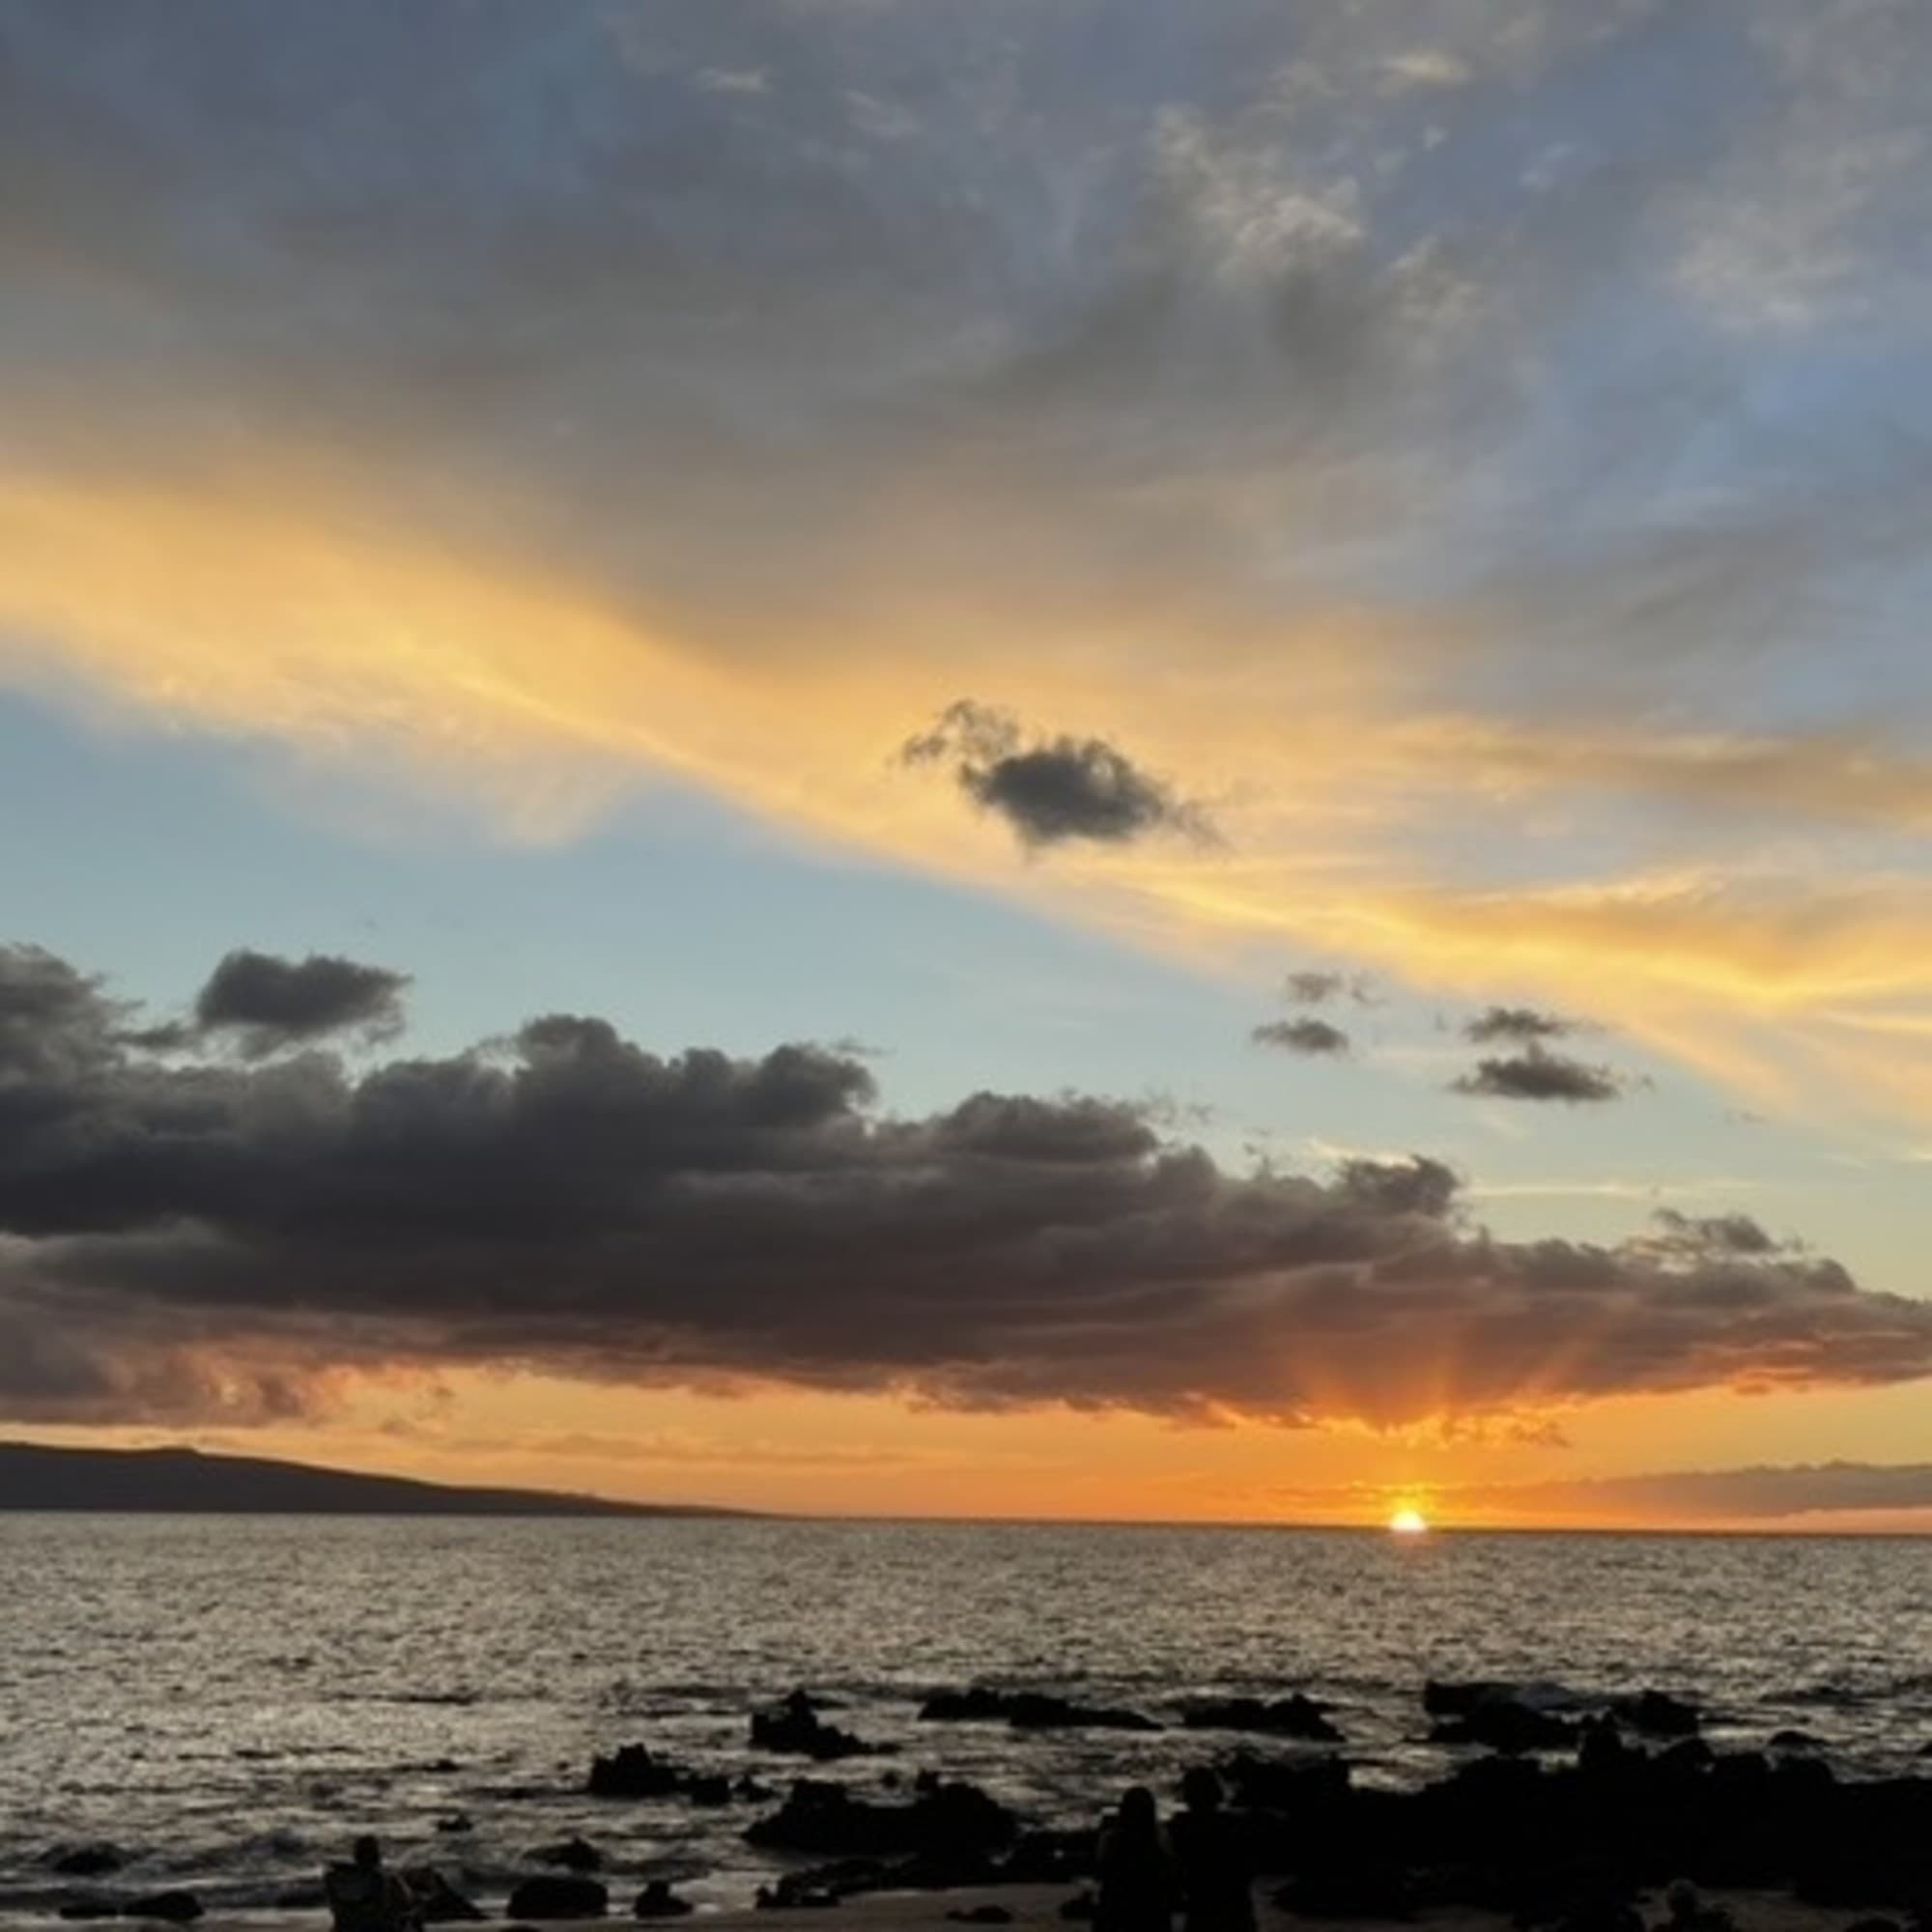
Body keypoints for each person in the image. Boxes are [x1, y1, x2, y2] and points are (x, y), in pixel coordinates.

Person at [1169, 1768, 1255, 1932]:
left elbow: (1178, 1875)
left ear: (1187, 1795)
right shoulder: (1235, 1825)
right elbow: (1246, 1871)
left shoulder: (1181, 1827)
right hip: (1236, 1912)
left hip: (1202, 1910)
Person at [1094, 1785, 1175, 1932]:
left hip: (1116, 1910)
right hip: (1152, 1910)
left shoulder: (1110, 1840)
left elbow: (1102, 1871)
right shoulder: (1160, 1839)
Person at [324, 1835, 418, 1932]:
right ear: (377, 1855)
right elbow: (407, 1901)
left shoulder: (336, 1877)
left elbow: (334, 1907)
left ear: (356, 1855)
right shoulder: (384, 1878)